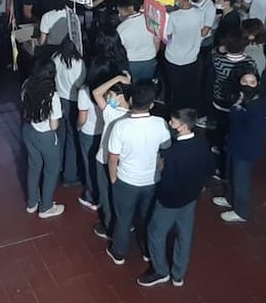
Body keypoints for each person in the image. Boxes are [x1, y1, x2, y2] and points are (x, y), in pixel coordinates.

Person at [137, 108, 213, 288]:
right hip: (191, 198)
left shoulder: (172, 153)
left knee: (155, 234)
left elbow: (167, 183)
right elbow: (210, 169)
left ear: (183, 126)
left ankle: (160, 271)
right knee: (184, 235)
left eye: (172, 122)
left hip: (170, 202)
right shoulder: (202, 143)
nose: (170, 125)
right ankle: (179, 275)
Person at [106, 81, 171, 265]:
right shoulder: (161, 124)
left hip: (126, 180)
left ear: (132, 99)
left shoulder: (120, 126)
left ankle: (119, 252)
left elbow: (113, 157)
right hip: (151, 181)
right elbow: (165, 151)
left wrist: (113, 178)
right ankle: (147, 252)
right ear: (152, 104)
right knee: (147, 217)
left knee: (123, 218)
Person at [214, 69, 266, 222]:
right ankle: (230, 199)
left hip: (245, 149)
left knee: (241, 180)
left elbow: (249, 127)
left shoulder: (257, 105)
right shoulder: (240, 98)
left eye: (251, 82)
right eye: (244, 82)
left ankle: (241, 211)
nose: (247, 85)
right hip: (233, 143)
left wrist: (236, 110)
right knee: (230, 174)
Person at [20, 58, 65, 219]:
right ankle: (46, 207)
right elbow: (54, 126)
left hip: (28, 130)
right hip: (45, 136)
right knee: (51, 170)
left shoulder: (26, 85)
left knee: (33, 166)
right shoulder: (52, 96)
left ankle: (32, 203)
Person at [210, 29, 258, 173]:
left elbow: (214, 55)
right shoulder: (249, 61)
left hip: (221, 99)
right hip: (239, 101)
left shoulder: (219, 60)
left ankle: (218, 146)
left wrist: (220, 49)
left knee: (221, 126)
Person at [91, 73, 131, 240]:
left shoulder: (111, 113)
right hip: (125, 163)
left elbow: (96, 93)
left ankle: (109, 227)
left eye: (111, 95)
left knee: (106, 195)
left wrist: (116, 78)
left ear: (120, 96)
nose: (108, 98)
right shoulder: (133, 114)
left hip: (105, 160)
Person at [162, 0, 203, 111]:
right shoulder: (199, 12)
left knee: (176, 91)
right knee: (190, 90)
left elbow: (167, 36)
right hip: (192, 58)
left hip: (173, 58)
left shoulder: (174, 16)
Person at [52, 37, 84, 188]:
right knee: (72, 139)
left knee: (61, 135)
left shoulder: (55, 58)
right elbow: (79, 84)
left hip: (58, 100)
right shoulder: (78, 63)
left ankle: (57, 167)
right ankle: (70, 176)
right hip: (73, 101)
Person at [189, 0, 217, 127]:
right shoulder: (188, 1)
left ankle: (201, 112)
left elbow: (205, 30)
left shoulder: (209, 6)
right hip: (190, 44)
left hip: (202, 46)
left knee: (201, 80)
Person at [77, 66, 105, 213]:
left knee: (90, 165)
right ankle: (103, 197)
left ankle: (91, 197)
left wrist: (77, 127)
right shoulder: (108, 88)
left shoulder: (84, 91)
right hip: (105, 131)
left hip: (88, 132)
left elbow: (82, 118)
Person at [117, 0, 159, 83]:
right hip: (150, 60)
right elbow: (157, 39)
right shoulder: (151, 19)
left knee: (132, 87)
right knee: (147, 87)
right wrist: (152, 54)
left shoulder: (121, 28)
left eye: (120, 10)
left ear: (130, 8)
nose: (119, 13)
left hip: (132, 63)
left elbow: (119, 50)